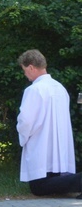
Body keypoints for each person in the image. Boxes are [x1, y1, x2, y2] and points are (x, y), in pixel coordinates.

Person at [16, 50, 79, 196]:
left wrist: (23, 135)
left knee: (38, 188)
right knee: (56, 181)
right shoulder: (60, 88)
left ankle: (79, 181)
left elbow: (26, 120)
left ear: (31, 67)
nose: (25, 75)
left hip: (41, 146)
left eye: (25, 70)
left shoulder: (34, 90)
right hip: (60, 149)